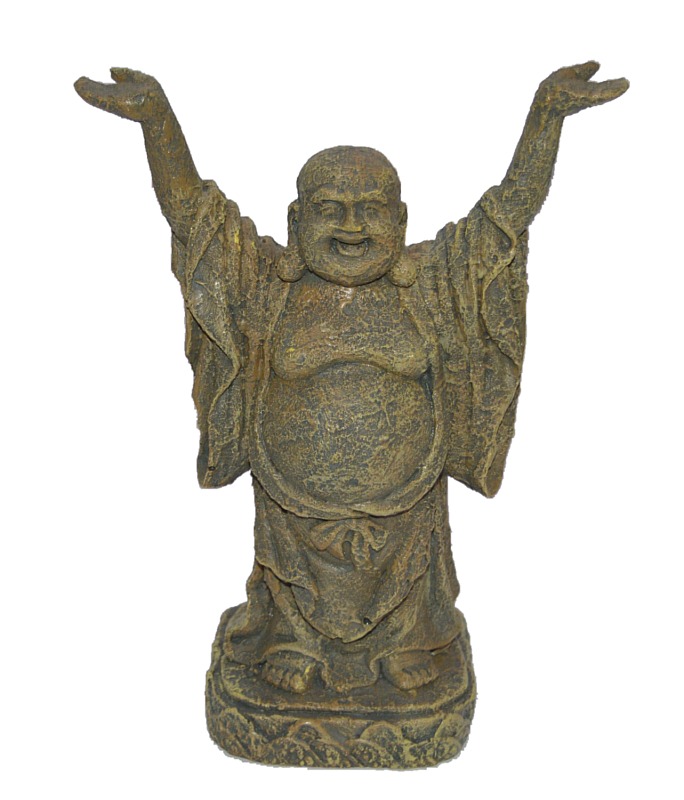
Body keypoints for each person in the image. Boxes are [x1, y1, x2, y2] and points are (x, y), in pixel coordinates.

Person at [75, 63, 628, 695]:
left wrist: (546, 116)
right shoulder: (268, 283)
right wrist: (157, 121)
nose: (352, 225)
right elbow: (196, 217)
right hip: (293, 508)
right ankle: (294, 638)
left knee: (406, 584)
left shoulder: (432, 282)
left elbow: (504, 218)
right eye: (330, 209)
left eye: (371, 210)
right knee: (292, 582)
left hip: (406, 505)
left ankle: (406, 639)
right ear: (295, 221)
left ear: (402, 221)